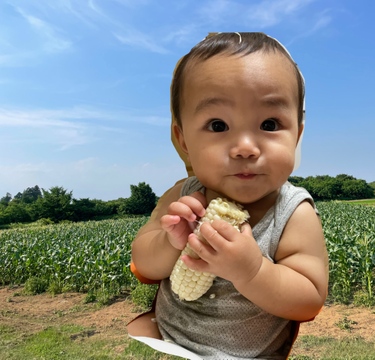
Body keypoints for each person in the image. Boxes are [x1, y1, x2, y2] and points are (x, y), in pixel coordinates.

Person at [128, 32, 329, 359]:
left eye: (269, 123)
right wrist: (169, 243)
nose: (246, 148)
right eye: (219, 126)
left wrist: (251, 271)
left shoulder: (293, 213)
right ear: (183, 141)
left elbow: (308, 298)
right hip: (165, 340)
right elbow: (144, 262)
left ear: (297, 135)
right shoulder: (183, 195)